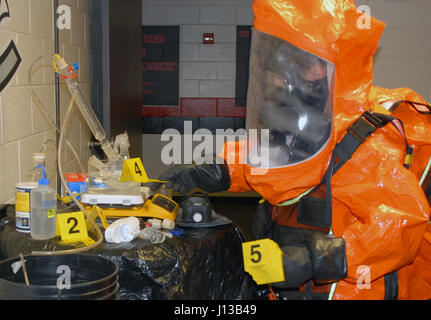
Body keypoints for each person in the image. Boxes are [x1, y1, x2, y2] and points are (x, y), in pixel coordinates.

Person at [158, 0, 431, 300]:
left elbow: (400, 225)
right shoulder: (309, 124)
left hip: (346, 290)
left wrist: (317, 259)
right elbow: (280, 163)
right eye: (274, 66)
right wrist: (218, 170)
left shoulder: (364, 142)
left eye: (289, 66)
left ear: (323, 67)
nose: (276, 79)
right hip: (293, 285)